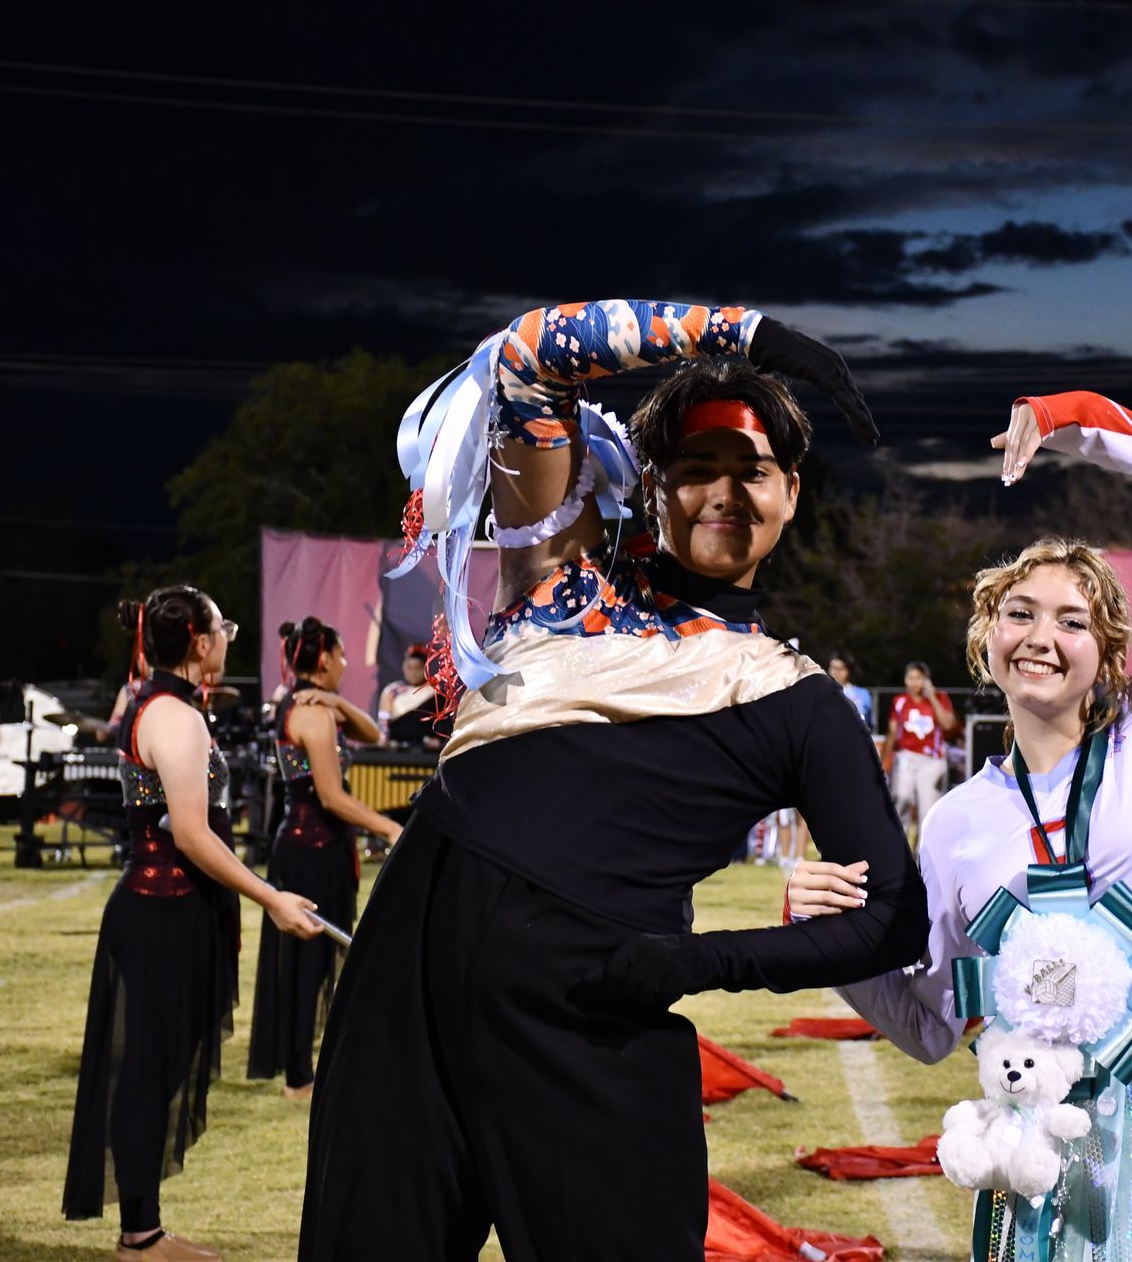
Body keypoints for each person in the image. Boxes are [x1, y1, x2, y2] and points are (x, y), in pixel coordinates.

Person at [299, 299, 928, 1262]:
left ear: (791, 493)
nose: (725, 493)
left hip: (592, 1014)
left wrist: (698, 962)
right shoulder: (562, 577)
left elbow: (892, 915)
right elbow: (525, 360)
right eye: (695, 469)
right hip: (405, 993)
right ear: (655, 487)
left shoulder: (796, 698)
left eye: (751, 471)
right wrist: (745, 337)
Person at [789, 391, 1132, 1260]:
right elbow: (929, 1025)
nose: (1042, 636)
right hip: (1054, 1158)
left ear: (1110, 653)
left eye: (1074, 620)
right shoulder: (956, 826)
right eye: (1020, 613)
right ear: (987, 637)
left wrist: (1077, 424)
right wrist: (826, 938)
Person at [64, 586, 324, 1262]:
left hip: (170, 909)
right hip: (162, 912)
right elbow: (190, 833)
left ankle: (144, 1228)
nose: (229, 637)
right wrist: (271, 896)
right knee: (150, 1070)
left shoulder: (163, 705)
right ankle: (141, 1238)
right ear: (201, 643)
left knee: (157, 1067)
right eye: (224, 627)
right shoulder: (174, 716)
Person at [248, 618, 404, 1100]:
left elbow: (372, 735)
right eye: (339, 656)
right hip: (310, 851)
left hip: (314, 848)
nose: (345, 664)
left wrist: (336, 701)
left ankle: (308, 1068)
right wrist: (390, 827)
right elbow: (332, 798)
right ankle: (299, 1077)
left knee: (315, 961)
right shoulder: (310, 716)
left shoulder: (312, 707)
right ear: (322, 659)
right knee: (306, 963)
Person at [883, 660, 959, 840]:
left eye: (918, 678)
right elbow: (892, 732)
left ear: (926, 680)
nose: (914, 682)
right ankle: (899, 848)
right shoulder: (900, 701)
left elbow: (949, 724)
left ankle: (921, 857)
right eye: (910, 678)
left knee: (928, 810)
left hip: (931, 760)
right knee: (901, 798)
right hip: (906, 757)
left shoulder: (940, 698)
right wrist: (883, 762)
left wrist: (932, 697)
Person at [378, 643, 442, 750]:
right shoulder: (392, 691)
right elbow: (383, 720)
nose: (413, 672)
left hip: (425, 750)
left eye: (417, 668)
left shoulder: (435, 693)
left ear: (425, 669)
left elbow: (443, 726)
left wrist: (438, 741)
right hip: (396, 748)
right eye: (409, 667)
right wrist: (384, 739)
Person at [827, 651, 874, 731]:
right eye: (833, 668)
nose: (836, 672)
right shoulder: (821, 693)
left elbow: (868, 723)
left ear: (848, 670)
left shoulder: (863, 694)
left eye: (841, 669)